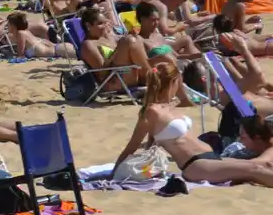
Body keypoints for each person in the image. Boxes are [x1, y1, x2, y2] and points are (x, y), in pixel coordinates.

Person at [113, 63, 273, 186]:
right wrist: (114, 172)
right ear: (174, 82)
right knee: (255, 170)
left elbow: (152, 141)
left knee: (262, 164)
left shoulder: (170, 106)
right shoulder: (151, 112)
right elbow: (131, 147)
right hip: (195, 165)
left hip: (211, 157)